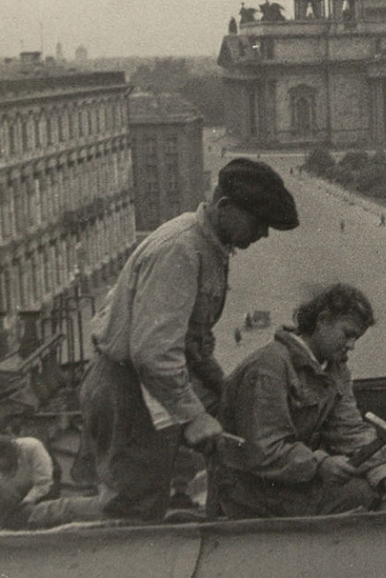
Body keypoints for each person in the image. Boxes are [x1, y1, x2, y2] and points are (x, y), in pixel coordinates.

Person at [30, 159, 299, 527]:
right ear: (225, 208)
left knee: (145, 501)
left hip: (147, 389)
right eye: (258, 221)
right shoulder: (182, 248)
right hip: (126, 389)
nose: (263, 233)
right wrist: (195, 416)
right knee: (129, 510)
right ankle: (25, 523)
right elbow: (153, 352)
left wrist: (224, 393)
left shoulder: (211, 247)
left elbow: (194, 342)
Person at [213, 284, 386, 518]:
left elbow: (349, 430)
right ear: (322, 320)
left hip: (290, 477)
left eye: (357, 338)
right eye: (348, 334)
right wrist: (321, 464)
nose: (352, 345)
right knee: (359, 492)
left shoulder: (335, 369)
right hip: (251, 489)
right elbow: (265, 450)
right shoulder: (270, 366)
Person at [0, 436, 54, 509]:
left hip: (47, 488)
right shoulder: (6, 461)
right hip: (18, 494)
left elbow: (45, 482)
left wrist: (27, 501)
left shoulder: (32, 446)